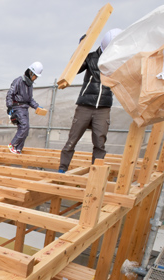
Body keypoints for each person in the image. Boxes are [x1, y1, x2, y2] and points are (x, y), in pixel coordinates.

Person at [58, 28, 123, 173]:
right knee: (72, 140)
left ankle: (96, 172)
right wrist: (80, 50)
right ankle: (62, 169)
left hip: (104, 107)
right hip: (85, 105)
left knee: (100, 143)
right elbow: (74, 68)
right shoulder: (91, 57)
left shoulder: (116, 62)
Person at [6, 62, 48, 154]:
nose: (35, 78)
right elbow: (10, 94)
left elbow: (29, 99)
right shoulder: (19, 81)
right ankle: (12, 145)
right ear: (31, 72)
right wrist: (9, 107)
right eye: (35, 76)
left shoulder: (30, 85)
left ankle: (18, 149)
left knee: (25, 130)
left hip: (25, 108)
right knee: (24, 127)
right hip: (18, 107)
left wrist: (37, 106)